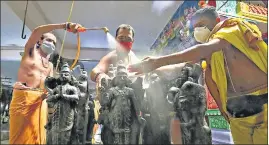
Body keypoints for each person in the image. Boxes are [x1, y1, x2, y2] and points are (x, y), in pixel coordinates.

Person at [129, 6, 268, 144]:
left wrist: (158, 62)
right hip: (236, 112)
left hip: (263, 106)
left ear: (217, 20)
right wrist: (154, 69)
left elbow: (202, 49)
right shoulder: (209, 54)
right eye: (195, 27)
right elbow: (183, 64)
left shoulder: (231, 31)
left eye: (201, 25)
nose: (197, 30)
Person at [9, 22, 83, 144]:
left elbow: (50, 86)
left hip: (41, 101)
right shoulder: (30, 53)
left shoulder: (50, 65)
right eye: (49, 40)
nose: (52, 44)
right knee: (20, 137)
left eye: (54, 43)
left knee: (38, 136)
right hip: (24, 98)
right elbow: (37, 31)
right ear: (40, 40)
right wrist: (64, 26)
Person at [89, 24, 139, 144]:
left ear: (133, 41)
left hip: (130, 110)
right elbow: (94, 72)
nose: (125, 41)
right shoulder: (111, 57)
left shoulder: (134, 58)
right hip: (113, 109)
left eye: (128, 39)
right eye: (121, 38)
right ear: (116, 39)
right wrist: (101, 76)